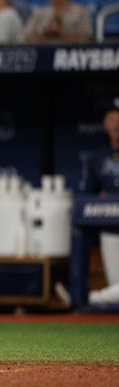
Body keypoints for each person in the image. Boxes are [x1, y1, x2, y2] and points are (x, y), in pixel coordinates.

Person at [79, 106, 119, 306]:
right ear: (105, 124)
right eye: (112, 120)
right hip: (110, 226)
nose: (116, 124)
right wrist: (99, 197)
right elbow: (88, 193)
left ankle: (90, 298)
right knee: (115, 282)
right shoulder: (98, 157)